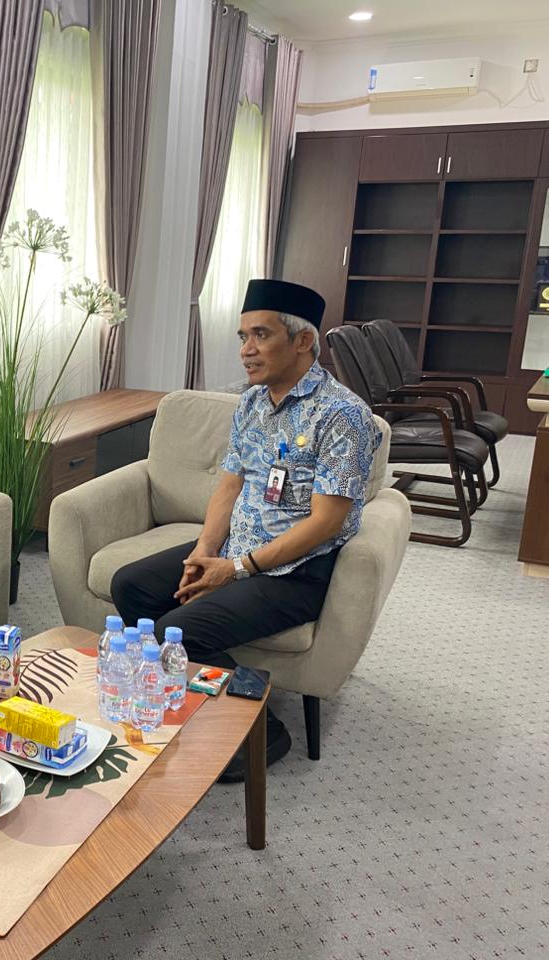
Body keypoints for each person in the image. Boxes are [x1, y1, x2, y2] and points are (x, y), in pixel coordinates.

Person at [110, 280, 379, 781]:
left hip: (295, 572)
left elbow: (327, 521)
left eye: (261, 335)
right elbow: (229, 485)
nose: (246, 350)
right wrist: (203, 552)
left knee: (178, 631)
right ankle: (189, 695)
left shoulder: (343, 415)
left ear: (303, 341)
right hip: (236, 550)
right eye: (242, 337)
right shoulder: (252, 402)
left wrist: (234, 569)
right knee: (131, 585)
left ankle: (263, 731)